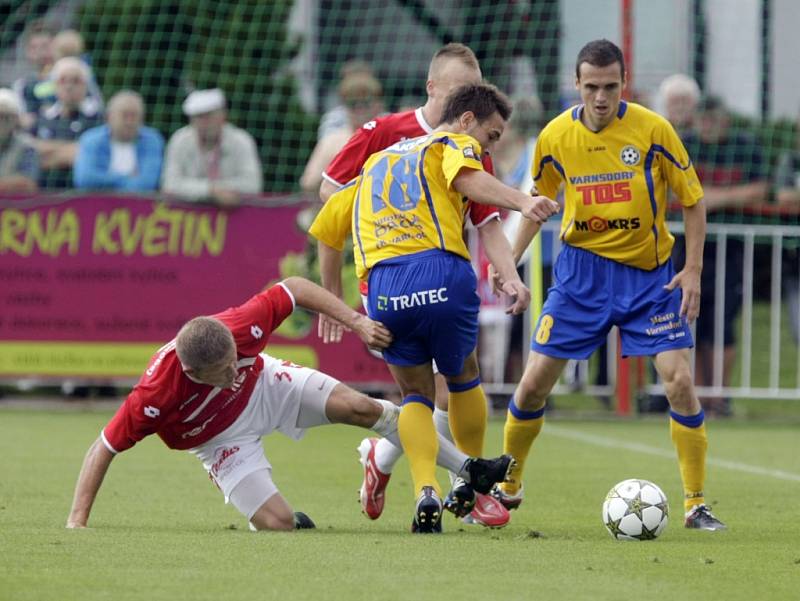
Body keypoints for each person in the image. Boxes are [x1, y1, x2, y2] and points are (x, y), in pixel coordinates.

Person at [492, 39, 726, 531]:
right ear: (576, 86)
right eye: (592, 86)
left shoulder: (652, 129)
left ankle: (695, 503)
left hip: (651, 279)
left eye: (611, 86)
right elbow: (538, 202)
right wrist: (509, 261)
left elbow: (693, 199)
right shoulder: (556, 137)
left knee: (679, 382)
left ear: (624, 84)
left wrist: (694, 271)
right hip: (581, 277)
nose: (602, 97)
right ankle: (508, 486)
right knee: (533, 384)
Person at [66, 276, 511, 532]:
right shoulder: (155, 395)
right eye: (222, 372)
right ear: (193, 375)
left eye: (233, 361)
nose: (231, 372)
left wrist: (355, 321)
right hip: (218, 440)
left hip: (268, 388)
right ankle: (285, 502)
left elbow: (295, 288)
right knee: (278, 525)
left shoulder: (239, 332)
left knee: (363, 408)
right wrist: (77, 523)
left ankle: (467, 470)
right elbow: (102, 448)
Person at [310, 83, 559, 533]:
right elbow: (469, 180)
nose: (490, 147)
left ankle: (426, 489)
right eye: (492, 135)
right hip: (440, 272)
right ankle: (475, 487)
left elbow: (327, 230)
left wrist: (333, 302)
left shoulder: (376, 163)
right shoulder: (453, 145)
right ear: (466, 120)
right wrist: (523, 200)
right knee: (463, 376)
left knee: (416, 396)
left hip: (384, 288)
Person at [681, 95, 769, 416]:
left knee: (723, 319)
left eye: (714, 118)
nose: (708, 124)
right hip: (687, 244)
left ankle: (719, 396)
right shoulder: (684, 144)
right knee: (691, 318)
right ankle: (696, 397)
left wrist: (710, 199)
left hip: (730, 245)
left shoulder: (744, 146)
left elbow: (759, 188)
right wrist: (704, 201)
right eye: (703, 117)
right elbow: (670, 188)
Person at [161, 88, 262, 207]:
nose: (204, 123)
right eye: (198, 117)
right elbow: (170, 184)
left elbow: (252, 184)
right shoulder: (179, 140)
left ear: (223, 115)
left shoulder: (241, 140)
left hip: (234, 216)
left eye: (209, 116)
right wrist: (210, 191)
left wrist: (211, 190)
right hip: (188, 217)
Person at [299, 71, 384, 194]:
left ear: (378, 105)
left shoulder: (391, 136)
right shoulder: (332, 140)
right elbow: (308, 182)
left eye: (366, 102)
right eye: (353, 104)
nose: (359, 109)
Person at [33, 57, 103, 189]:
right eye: (63, 80)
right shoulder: (43, 117)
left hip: (84, 194)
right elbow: (32, 154)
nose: (68, 86)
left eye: (76, 81)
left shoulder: (99, 117)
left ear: (86, 85)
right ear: (55, 85)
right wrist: (71, 150)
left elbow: (90, 155)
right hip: (45, 192)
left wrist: (49, 151)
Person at [73, 90, 164, 191]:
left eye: (134, 116)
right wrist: (127, 178)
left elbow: (147, 183)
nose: (129, 122)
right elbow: (85, 179)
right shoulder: (91, 139)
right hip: (97, 203)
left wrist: (105, 178)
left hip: (137, 203)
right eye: (124, 116)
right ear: (109, 117)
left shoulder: (152, 140)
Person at [12, 20, 55, 131]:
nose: (40, 52)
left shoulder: (67, 78)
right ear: (27, 52)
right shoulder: (21, 85)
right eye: (34, 48)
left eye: (45, 46)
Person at [0, 89, 40, 193]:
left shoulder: (27, 146)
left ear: (16, 120)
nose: (2, 122)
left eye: (6, 117)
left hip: (15, 205)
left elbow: (28, 183)